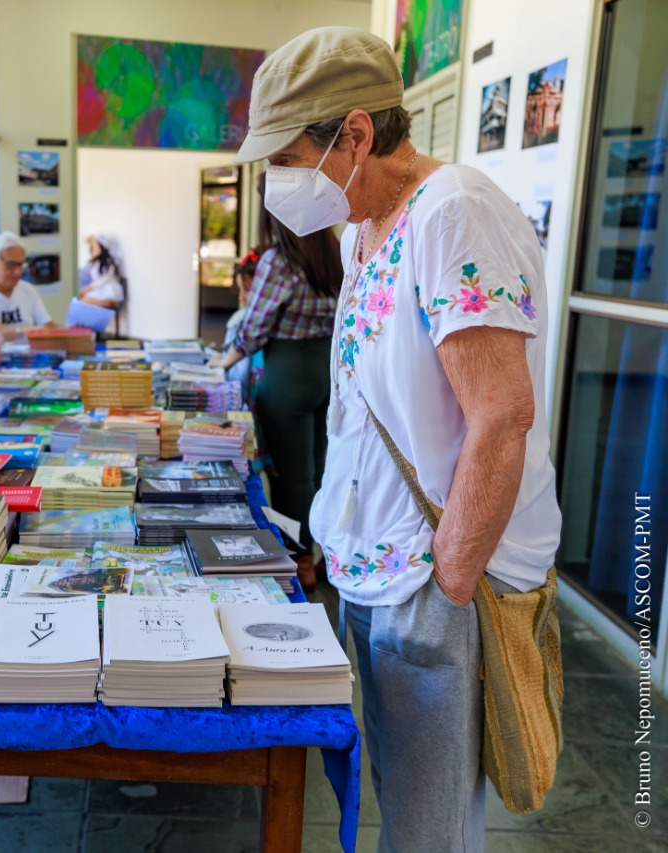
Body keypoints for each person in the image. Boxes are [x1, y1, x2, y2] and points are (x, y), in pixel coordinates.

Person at [234, 27, 561, 853]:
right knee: (399, 796)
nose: (278, 181)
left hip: (427, 578)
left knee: (429, 829)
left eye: (287, 155)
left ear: (352, 134)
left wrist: (446, 579)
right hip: (373, 565)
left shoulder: (453, 212)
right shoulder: (362, 230)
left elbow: (501, 415)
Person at [213, 178, 341, 591]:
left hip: (287, 372)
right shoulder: (333, 252)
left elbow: (253, 329)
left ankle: (299, 562)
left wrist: (223, 361)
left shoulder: (280, 259)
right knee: (320, 469)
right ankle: (322, 556)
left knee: (290, 477)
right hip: (327, 369)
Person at [77, 234, 125, 308]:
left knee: (84, 301)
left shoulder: (108, 262)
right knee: (79, 299)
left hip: (107, 290)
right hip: (97, 289)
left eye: (95, 246)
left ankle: (107, 303)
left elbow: (103, 280)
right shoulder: (93, 263)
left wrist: (88, 288)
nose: (92, 249)